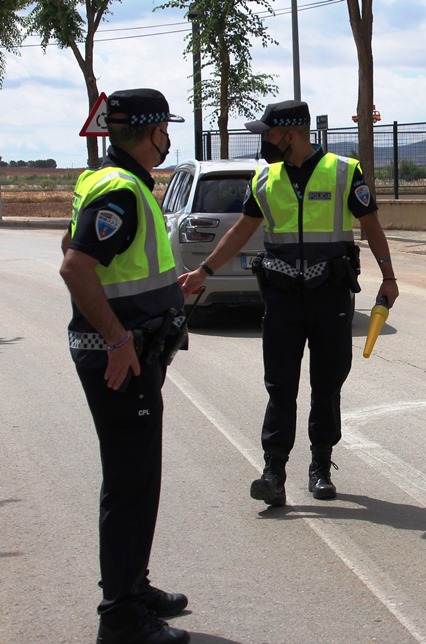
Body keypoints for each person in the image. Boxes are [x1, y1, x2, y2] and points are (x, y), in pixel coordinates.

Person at [178, 99, 399, 507]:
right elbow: (242, 232)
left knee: (326, 384)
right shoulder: (265, 177)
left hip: (329, 295)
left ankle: (319, 465)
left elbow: (371, 225)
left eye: (268, 132)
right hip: (281, 297)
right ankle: (273, 471)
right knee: (280, 386)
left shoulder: (343, 172)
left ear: (290, 134)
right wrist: (204, 272)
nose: (263, 139)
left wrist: (388, 276)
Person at [59, 88, 190, 644]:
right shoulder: (121, 189)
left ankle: (133, 587)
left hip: (134, 353)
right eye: (165, 129)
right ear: (152, 130)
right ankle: (121, 616)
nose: (167, 140)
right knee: (131, 483)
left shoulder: (108, 180)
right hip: (120, 362)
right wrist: (116, 339)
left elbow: (76, 247)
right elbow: (75, 266)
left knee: (138, 478)